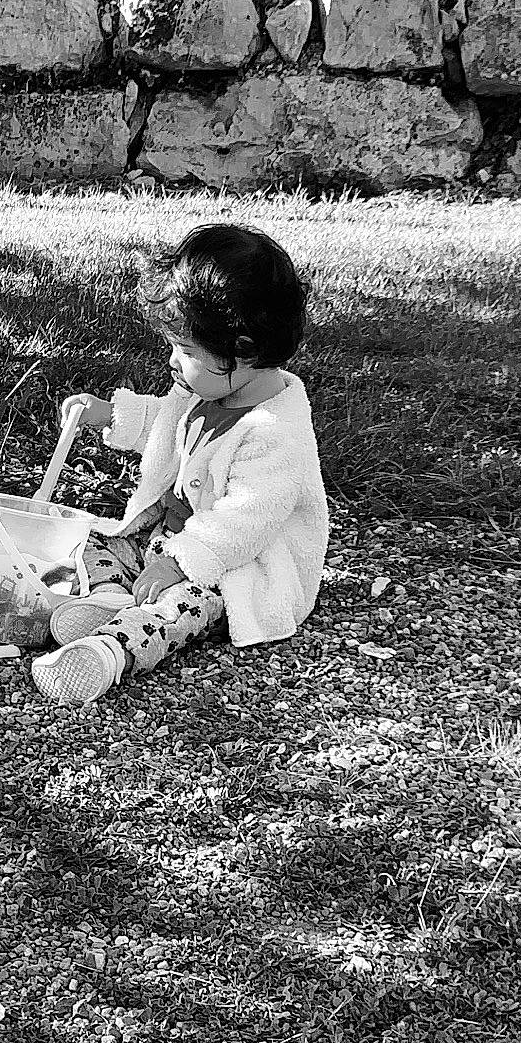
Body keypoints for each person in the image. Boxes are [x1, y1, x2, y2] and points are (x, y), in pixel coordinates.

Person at [30, 222, 329, 706]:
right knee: (85, 538)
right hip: (164, 542)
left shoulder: (276, 433)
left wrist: (177, 561)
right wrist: (111, 415)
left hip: (230, 563)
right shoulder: (202, 388)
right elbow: (166, 427)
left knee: (185, 606)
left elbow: (247, 519)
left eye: (186, 350)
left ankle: (110, 651)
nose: (173, 361)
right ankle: (109, 599)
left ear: (245, 350)